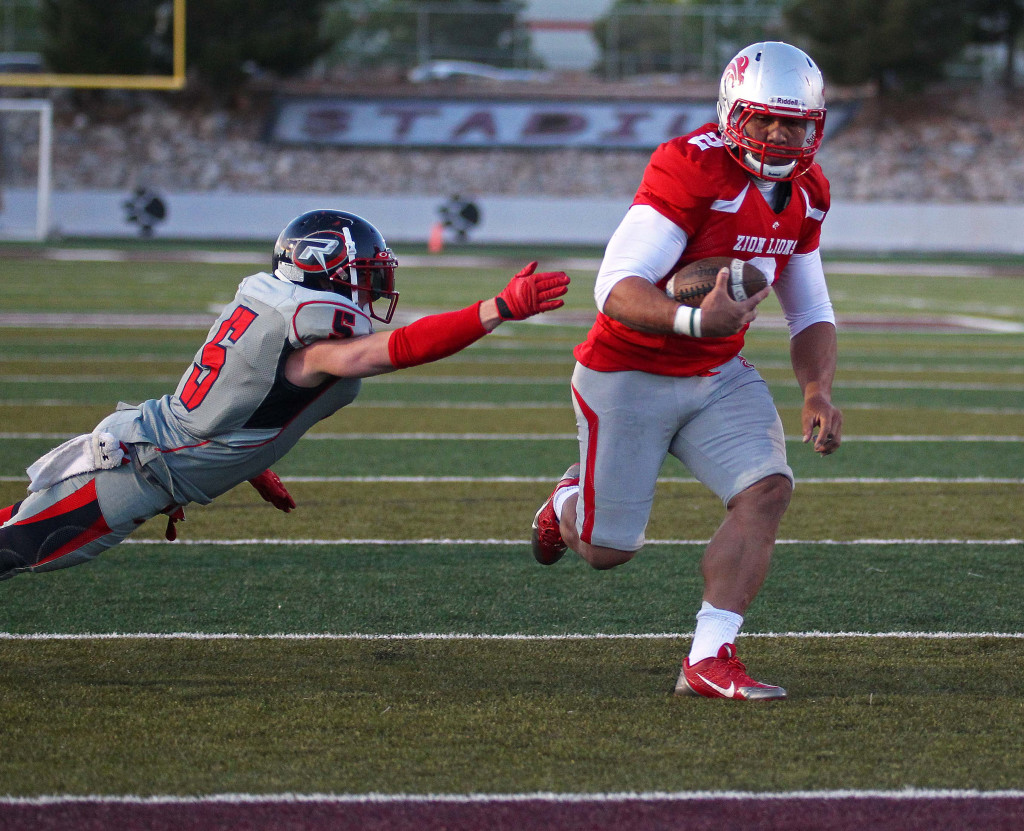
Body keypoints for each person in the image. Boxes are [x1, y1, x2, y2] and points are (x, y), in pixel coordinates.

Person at [0, 209, 569, 580]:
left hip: (146, 452)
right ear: (320, 266)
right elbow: (395, 351)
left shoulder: (273, 304)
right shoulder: (314, 335)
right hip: (134, 471)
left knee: (14, 535)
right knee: (19, 550)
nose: (372, 286)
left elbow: (242, 393)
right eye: (361, 272)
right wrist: (496, 309)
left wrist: (249, 457)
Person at [530, 41, 842, 701]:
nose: (780, 134)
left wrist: (817, 389)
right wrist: (695, 320)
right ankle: (564, 505)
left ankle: (708, 656)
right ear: (734, 114)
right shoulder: (691, 166)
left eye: (795, 123)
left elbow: (809, 305)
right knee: (609, 548)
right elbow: (615, 286)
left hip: (716, 372)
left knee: (767, 488)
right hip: (629, 368)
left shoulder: (808, 193)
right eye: (764, 119)